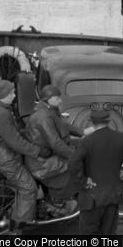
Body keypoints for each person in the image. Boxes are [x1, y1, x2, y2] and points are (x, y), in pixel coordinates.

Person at [0, 80, 51, 231]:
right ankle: (19, 230)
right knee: (29, 189)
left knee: (22, 185)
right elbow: (15, 142)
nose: (14, 95)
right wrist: (38, 150)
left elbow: (10, 134)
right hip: (5, 159)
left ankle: (18, 213)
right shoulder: (1, 114)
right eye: (11, 93)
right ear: (3, 95)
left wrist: (25, 133)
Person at [69, 109, 123, 236]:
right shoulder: (122, 138)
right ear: (109, 121)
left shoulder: (86, 142)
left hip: (91, 199)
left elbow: (73, 163)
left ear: (92, 123)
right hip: (112, 196)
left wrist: (83, 182)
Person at [24, 85, 85, 216]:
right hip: (42, 163)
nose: (60, 100)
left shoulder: (49, 111)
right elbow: (56, 143)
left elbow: (63, 125)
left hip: (44, 157)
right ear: (48, 99)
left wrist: (84, 132)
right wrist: (74, 156)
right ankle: (58, 203)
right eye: (57, 98)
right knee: (76, 166)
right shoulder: (43, 117)